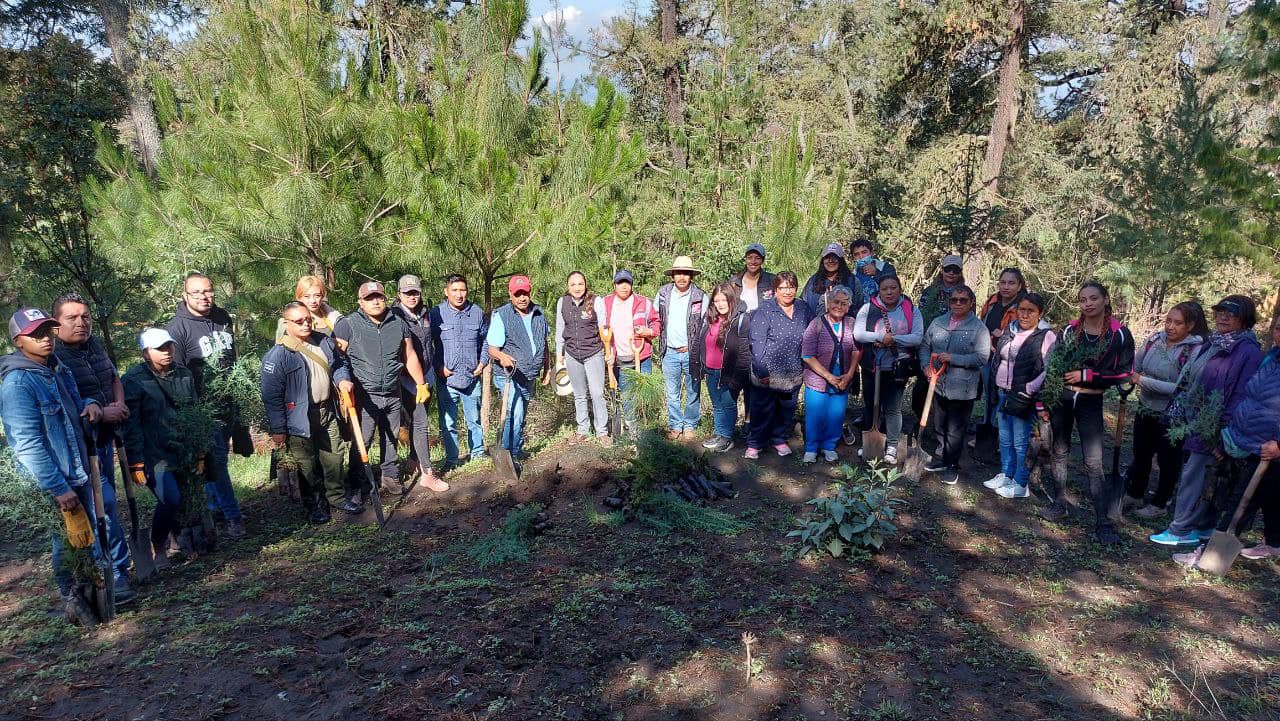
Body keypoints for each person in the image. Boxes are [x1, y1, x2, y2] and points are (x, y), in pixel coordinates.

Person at [0, 307, 115, 623]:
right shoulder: (17, 385)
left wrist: (90, 404)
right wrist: (58, 489)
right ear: (18, 340)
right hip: (54, 479)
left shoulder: (56, 367)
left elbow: (73, 406)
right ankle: (72, 600)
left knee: (83, 535)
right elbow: (26, 444)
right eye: (35, 334)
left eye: (47, 331)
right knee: (65, 541)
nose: (45, 338)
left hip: (76, 469)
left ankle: (89, 594)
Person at [1150, 295, 1264, 546]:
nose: (1223, 317)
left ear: (1244, 319)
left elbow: (1241, 396)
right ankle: (1201, 526)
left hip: (1217, 428)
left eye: (1230, 314)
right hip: (1197, 421)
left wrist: (1222, 434)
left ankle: (1180, 530)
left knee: (1197, 477)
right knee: (1203, 476)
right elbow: (1192, 380)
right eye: (1220, 311)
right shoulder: (1213, 343)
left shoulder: (1247, 352)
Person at [1171, 313, 1280, 567]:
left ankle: (1210, 556)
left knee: (1239, 502)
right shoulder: (1272, 359)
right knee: (1270, 497)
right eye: (1278, 328)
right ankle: (1275, 543)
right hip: (1248, 439)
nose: (1279, 334)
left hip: (1269, 448)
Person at [50, 293, 133, 602]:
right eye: (71, 318)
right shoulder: (54, 358)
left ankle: (117, 571)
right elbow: (70, 406)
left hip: (103, 443)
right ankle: (90, 577)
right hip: (77, 449)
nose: (80, 323)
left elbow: (113, 377)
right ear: (55, 324)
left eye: (85, 317)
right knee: (95, 510)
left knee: (107, 506)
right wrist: (102, 410)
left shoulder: (93, 347)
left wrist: (119, 403)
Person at [1040, 281, 1135, 544]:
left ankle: (1102, 522)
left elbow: (1125, 373)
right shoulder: (1071, 330)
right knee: (1059, 451)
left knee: (1093, 462)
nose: (1088, 303)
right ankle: (1060, 503)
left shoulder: (1120, 334)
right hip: (1063, 398)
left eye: (1094, 298)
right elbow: (1054, 364)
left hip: (1090, 402)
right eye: (1083, 300)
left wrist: (1089, 375)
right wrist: (1045, 400)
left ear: (1106, 299)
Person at [333, 281, 433, 502]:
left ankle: (390, 476)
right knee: (363, 440)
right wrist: (342, 382)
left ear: (385, 298)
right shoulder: (347, 325)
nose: (375, 301)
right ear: (360, 302)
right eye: (369, 298)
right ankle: (358, 484)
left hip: (392, 391)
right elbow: (338, 360)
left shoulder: (397, 323)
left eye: (378, 297)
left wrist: (420, 383)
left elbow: (409, 355)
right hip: (364, 395)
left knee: (391, 436)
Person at [166, 272, 246, 539]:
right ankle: (233, 516)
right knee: (218, 460)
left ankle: (215, 508)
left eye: (208, 291)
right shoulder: (177, 328)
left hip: (227, 401)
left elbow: (231, 357)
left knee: (215, 461)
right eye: (197, 292)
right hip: (201, 408)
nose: (204, 297)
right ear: (185, 295)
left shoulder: (222, 317)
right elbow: (176, 373)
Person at [260, 302, 354, 522]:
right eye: (299, 321)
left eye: (308, 319)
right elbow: (271, 397)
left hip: (326, 410)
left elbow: (339, 363)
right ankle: (315, 506)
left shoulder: (322, 341)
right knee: (307, 465)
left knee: (334, 455)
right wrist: (278, 429)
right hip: (298, 419)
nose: (305, 324)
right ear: (286, 324)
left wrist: (343, 380)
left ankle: (336, 497)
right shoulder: (278, 356)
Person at [1121, 302, 1208, 518]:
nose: (1171, 326)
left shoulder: (1194, 351)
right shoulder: (1154, 340)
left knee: (1168, 460)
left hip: (1173, 414)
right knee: (1141, 453)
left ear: (1190, 326)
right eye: (1168, 320)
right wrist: (1132, 378)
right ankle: (1135, 493)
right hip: (1145, 407)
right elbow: (1135, 366)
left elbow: (1180, 387)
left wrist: (1141, 380)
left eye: (1178, 323)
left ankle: (1160, 502)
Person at [121, 328, 199, 566]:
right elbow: (131, 424)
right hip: (154, 454)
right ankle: (158, 545)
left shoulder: (184, 374)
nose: (166, 351)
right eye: (159, 348)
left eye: (169, 346)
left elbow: (194, 413)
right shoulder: (134, 381)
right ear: (146, 353)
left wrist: (199, 450)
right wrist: (135, 461)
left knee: (185, 498)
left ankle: (179, 542)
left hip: (182, 449)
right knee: (170, 499)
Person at [918, 284, 991, 484]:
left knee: (955, 429)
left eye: (963, 300)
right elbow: (925, 346)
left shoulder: (978, 328)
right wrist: (925, 366)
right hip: (939, 383)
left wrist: (954, 358)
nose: (957, 304)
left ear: (971, 303)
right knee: (939, 423)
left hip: (963, 387)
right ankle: (942, 458)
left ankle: (952, 465)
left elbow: (982, 357)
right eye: (954, 300)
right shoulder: (938, 322)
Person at [987, 293, 1056, 498]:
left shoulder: (1046, 336)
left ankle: (1020, 483)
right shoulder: (1010, 329)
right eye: (1021, 309)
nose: (1024, 315)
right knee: (1005, 438)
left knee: (1021, 441)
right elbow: (1000, 357)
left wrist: (1029, 388)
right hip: (1003, 392)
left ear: (1039, 313)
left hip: (1024, 397)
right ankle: (1006, 474)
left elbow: (1049, 369)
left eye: (1030, 311)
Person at [853, 274, 922, 464]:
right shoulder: (868, 308)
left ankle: (891, 445)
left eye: (893, 288)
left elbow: (917, 337)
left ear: (899, 289)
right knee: (870, 406)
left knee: (893, 408)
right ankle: (869, 443)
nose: (889, 292)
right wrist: (879, 337)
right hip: (871, 366)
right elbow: (858, 333)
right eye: (885, 289)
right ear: (879, 291)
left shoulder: (910, 310)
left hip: (897, 367)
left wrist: (893, 340)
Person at [745, 272, 815, 459]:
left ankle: (779, 439)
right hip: (767, 370)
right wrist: (761, 370)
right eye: (783, 287)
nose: (787, 291)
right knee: (762, 408)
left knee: (786, 408)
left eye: (791, 287)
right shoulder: (765, 310)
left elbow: (814, 332)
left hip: (793, 370)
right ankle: (755, 443)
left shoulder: (803, 308)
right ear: (775, 290)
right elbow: (756, 342)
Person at [391, 274, 448, 492]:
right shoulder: (395, 317)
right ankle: (427, 473)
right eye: (407, 293)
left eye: (415, 292)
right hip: (407, 379)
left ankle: (414, 460)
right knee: (420, 422)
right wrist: (414, 378)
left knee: (418, 421)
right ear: (399, 295)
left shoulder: (424, 313)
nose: (412, 297)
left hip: (427, 374)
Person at [487, 275, 552, 462]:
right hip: (508, 374)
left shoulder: (539, 313)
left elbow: (544, 344)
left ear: (530, 292)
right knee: (514, 411)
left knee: (521, 412)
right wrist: (503, 357)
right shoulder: (502, 315)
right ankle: (509, 453)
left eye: (525, 293)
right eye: (518, 294)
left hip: (529, 374)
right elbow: (492, 349)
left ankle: (515, 448)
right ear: (510, 294)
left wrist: (547, 368)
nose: (522, 298)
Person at [430, 274, 489, 468]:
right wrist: (438, 367)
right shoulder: (436, 313)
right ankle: (452, 460)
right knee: (448, 424)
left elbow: (486, 341)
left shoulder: (477, 312)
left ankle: (478, 454)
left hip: (472, 379)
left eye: (462, 290)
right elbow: (426, 344)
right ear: (446, 292)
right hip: (447, 381)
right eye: (454, 290)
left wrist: (482, 364)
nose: (459, 294)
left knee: (474, 420)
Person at [596, 270, 660, 437]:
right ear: (614, 285)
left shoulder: (644, 302)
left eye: (627, 282)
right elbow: (599, 328)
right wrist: (606, 351)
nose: (624, 286)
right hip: (619, 359)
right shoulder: (605, 303)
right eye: (620, 283)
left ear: (632, 284)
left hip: (641, 356)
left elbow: (656, 323)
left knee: (644, 395)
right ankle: (633, 431)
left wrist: (649, 331)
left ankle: (647, 429)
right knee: (627, 397)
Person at [801, 285, 859, 463]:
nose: (839, 306)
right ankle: (811, 448)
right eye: (836, 302)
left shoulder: (851, 324)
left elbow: (857, 350)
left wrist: (849, 374)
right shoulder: (816, 324)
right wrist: (829, 377)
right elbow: (807, 355)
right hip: (818, 380)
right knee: (815, 415)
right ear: (828, 303)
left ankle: (829, 446)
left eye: (844, 303)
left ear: (848, 307)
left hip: (843, 380)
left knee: (836, 415)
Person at [693, 282, 751, 452]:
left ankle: (726, 438)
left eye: (724, 300)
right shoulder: (709, 319)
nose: (720, 304)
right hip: (711, 370)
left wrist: (737, 378)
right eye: (717, 300)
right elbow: (699, 342)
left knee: (728, 404)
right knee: (717, 404)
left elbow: (744, 353)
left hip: (728, 373)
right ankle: (719, 434)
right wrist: (697, 365)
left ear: (731, 299)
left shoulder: (740, 320)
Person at [655, 256, 706, 440]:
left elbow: (706, 325)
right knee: (672, 392)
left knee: (693, 390)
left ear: (691, 275)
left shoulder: (700, 296)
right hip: (669, 352)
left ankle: (690, 425)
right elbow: (655, 319)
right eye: (678, 273)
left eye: (685, 273)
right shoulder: (663, 294)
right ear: (673, 275)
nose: (682, 277)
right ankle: (675, 425)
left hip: (691, 353)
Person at [913, 254, 966, 431]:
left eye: (955, 270)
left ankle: (940, 429)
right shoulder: (930, 291)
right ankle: (921, 421)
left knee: (944, 394)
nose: (951, 273)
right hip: (929, 345)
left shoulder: (963, 294)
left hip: (952, 350)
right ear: (941, 270)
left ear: (960, 272)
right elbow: (920, 316)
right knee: (921, 389)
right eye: (948, 269)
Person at [554, 271, 609, 443]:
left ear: (585, 285)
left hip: (593, 352)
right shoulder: (562, 302)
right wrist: (559, 353)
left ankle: (602, 432)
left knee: (597, 393)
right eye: (573, 284)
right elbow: (559, 329)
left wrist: (608, 351)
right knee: (579, 394)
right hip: (572, 353)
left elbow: (604, 328)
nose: (577, 288)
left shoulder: (595, 301)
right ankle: (583, 429)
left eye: (580, 284)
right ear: (568, 286)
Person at [977, 268, 1028, 438]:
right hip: (987, 354)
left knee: (1003, 396)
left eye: (1011, 283)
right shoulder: (992, 302)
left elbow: (1027, 334)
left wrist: (1004, 334)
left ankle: (1001, 434)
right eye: (1003, 282)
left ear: (1019, 286)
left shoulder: (1023, 307)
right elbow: (981, 322)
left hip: (1009, 359)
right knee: (989, 394)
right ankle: (988, 429)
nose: (1006, 286)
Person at [275, 275, 343, 341]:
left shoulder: (334, 317)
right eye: (307, 296)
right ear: (298, 297)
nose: (313, 301)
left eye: (317, 295)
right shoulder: (290, 323)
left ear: (322, 296)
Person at [801, 243, 860, 318]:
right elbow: (804, 306)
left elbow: (859, 307)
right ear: (823, 260)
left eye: (835, 257)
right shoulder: (813, 282)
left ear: (841, 260)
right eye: (827, 257)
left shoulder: (852, 281)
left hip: (846, 328)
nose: (831, 260)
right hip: (817, 327)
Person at [848, 239, 896, 305]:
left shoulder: (885, 267)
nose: (861, 257)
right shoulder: (853, 277)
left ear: (871, 253)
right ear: (854, 258)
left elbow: (893, 289)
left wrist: (876, 273)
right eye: (857, 254)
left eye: (864, 252)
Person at [729, 243, 775, 312]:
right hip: (738, 321)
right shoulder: (734, 281)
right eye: (749, 257)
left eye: (757, 258)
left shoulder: (772, 280)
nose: (753, 261)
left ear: (762, 260)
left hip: (764, 320)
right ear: (745, 259)